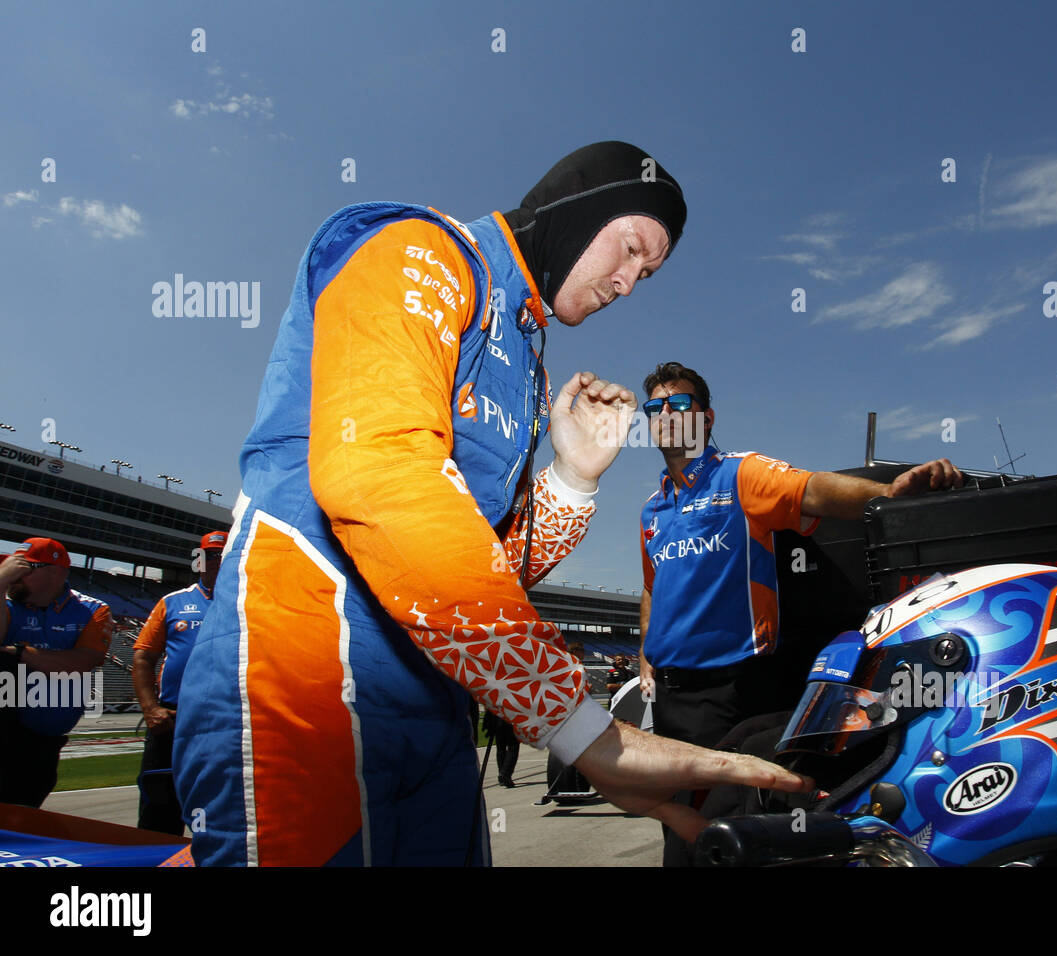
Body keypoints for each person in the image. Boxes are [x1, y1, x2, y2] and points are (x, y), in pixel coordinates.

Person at [173, 142, 811, 866]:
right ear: (578, 206)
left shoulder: (528, 361)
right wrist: (575, 724)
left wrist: (572, 478)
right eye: (631, 248)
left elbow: (484, 563)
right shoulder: (420, 246)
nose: (630, 283)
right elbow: (378, 476)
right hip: (302, 689)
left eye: (648, 273)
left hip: (437, 701)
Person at [635, 362, 963, 864]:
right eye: (655, 408)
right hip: (672, 699)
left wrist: (888, 493)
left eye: (679, 405)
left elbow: (813, 489)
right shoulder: (652, 509)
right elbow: (652, 589)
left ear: (707, 417)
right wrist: (644, 657)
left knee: (735, 831)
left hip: (735, 692)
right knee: (680, 830)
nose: (665, 415)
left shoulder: (741, 474)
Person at [0, 537, 113, 807]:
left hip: (44, 741)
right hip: (6, 731)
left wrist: (20, 653)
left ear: (55, 572)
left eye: (24, 568)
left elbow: (82, 663)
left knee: (25, 811)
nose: (15, 575)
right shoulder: (6, 601)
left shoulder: (92, 610)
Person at [132, 530, 227, 835]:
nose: (216, 562)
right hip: (171, 720)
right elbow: (143, 658)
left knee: (221, 807)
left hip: (225, 719)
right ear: (198, 560)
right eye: (209, 556)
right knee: (158, 809)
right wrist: (150, 710)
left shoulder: (252, 603)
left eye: (222, 555)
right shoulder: (172, 602)